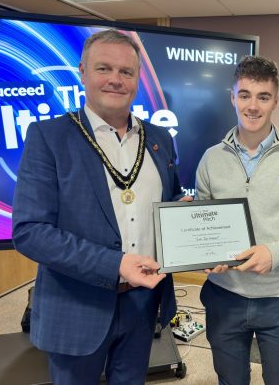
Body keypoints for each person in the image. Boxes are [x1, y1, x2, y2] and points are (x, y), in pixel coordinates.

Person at [13, 29, 190, 384]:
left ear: (137, 79)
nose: (115, 80)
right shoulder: (49, 137)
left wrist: (191, 219)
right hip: (77, 306)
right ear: (82, 72)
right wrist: (117, 265)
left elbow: (169, 204)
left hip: (143, 303)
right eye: (103, 68)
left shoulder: (158, 139)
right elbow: (30, 233)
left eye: (126, 72)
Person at [195, 55, 279, 385]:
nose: (253, 106)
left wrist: (274, 253)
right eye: (245, 95)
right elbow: (202, 222)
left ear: (276, 101)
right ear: (232, 97)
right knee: (230, 381)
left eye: (263, 97)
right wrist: (205, 255)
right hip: (224, 295)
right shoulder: (211, 158)